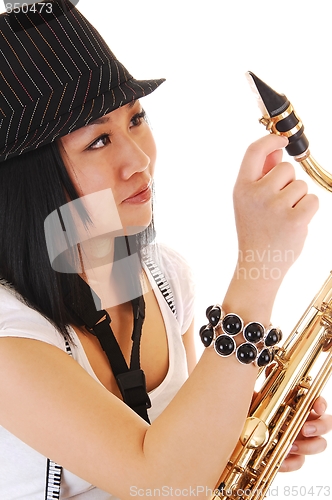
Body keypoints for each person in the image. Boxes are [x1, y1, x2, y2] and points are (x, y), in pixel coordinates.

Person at [0, 1, 331, 499]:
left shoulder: (161, 276)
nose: (138, 159)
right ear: (33, 178)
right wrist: (258, 272)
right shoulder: (9, 339)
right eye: (98, 142)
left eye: (136, 120)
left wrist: (240, 433)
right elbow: (162, 484)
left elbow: (183, 457)